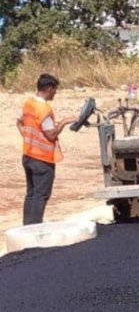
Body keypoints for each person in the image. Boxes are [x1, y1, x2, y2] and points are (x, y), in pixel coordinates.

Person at [17, 73, 76, 225]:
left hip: (28, 155)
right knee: (41, 195)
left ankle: (27, 226)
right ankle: (35, 227)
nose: (55, 93)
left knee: (31, 193)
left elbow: (19, 122)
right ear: (49, 89)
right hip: (42, 159)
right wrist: (63, 122)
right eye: (55, 90)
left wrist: (28, 137)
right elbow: (51, 134)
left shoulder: (28, 103)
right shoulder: (44, 110)